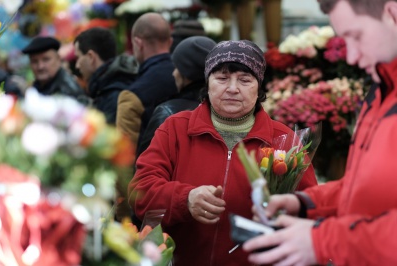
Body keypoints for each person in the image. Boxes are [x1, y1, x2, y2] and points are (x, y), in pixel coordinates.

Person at [128, 40, 318, 266]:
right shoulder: (175, 129)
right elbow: (140, 191)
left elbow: (311, 207)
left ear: (259, 88)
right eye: (222, 78)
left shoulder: (284, 141)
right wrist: (185, 199)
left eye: (245, 80)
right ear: (207, 82)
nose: (232, 88)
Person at [242, 1, 397, 265]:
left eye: (356, 36)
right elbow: (367, 186)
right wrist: (305, 203)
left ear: (392, 13)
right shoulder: (381, 90)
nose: (351, 57)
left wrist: (323, 240)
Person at [137, 36, 216, 157]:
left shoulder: (167, 113)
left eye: (177, 67)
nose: (173, 73)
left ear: (186, 73)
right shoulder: (223, 112)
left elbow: (145, 168)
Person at [116, 13, 178, 148]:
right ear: (170, 42)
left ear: (138, 43)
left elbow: (126, 153)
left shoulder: (131, 96)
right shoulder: (187, 78)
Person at [74, 27, 138, 125]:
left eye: (78, 57)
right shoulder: (109, 85)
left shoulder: (113, 95)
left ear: (91, 57)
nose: (77, 65)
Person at [21, 36, 85, 100]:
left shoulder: (67, 91)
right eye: (34, 61)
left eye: (46, 59)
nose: (40, 66)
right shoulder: (37, 87)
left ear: (58, 59)